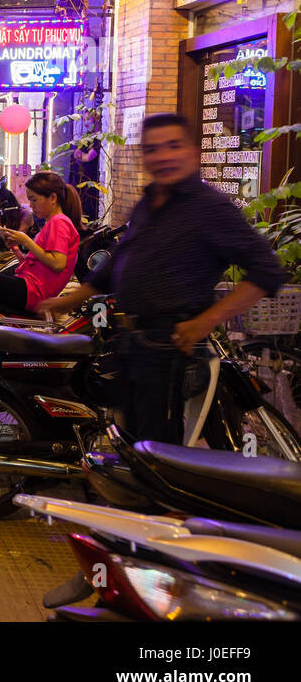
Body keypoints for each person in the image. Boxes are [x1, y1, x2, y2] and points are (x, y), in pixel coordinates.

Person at [39, 113, 287, 444]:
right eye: (154, 149)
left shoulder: (208, 207)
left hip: (169, 348)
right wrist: (72, 298)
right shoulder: (150, 202)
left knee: (157, 455)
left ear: (193, 153)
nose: (164, 156)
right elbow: (118, 262)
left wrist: (206, 321)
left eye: (174, 146)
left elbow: (266, 268)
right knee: (132, 444)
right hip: (131, 342)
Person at [0, 172, 83, 313]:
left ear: (53, 197)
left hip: (30, 293)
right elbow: (36, 267)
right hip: (28, 289)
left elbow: (58, 263)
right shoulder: (54, 222)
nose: (31, 205)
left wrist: (27, 241)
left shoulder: (59, 221)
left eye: (34, 200)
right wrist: (16, 249)